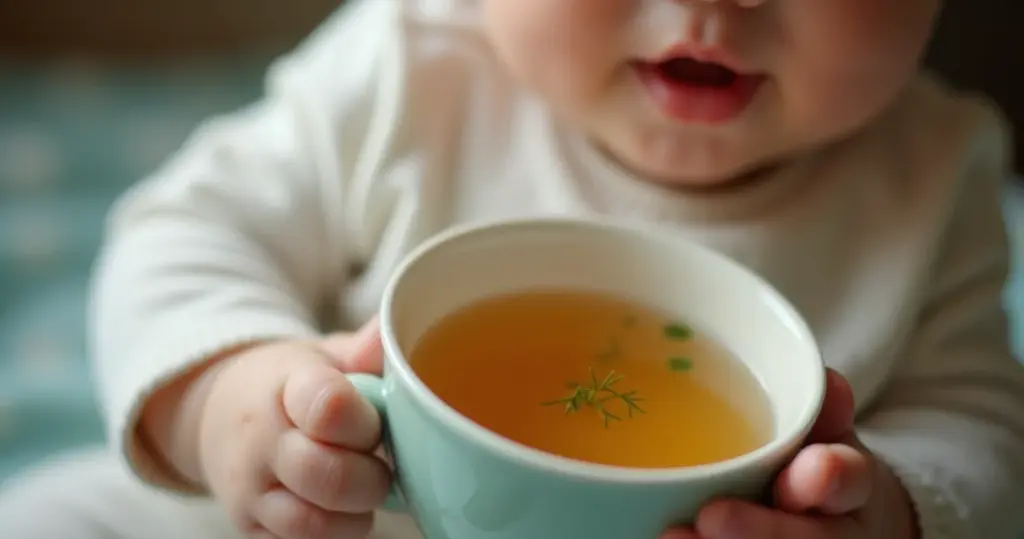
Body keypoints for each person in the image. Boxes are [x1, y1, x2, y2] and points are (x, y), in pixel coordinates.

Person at [2, 0, 1023, 537]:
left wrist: (892, 512)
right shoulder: (411, 61)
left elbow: (980, 425)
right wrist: (226, 397)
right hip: (333, 518)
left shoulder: (932, 177)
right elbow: (190, 229)